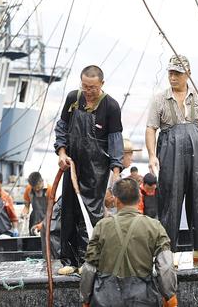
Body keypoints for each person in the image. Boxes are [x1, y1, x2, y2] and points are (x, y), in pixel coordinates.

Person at [145, 54, 198, 265]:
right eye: (170, 73)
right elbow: (151, 129)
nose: (173, 77)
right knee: (170, 201)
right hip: (170, 152)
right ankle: (169, 253)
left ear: (188, 74)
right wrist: (152, 156)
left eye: (177, 73)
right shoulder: (159, 99)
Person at [54, 65, 124, 275]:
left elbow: (115, 140)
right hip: (72, 165)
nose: (88, 91)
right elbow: (62, 128)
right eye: (85, 86)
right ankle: (69, 261)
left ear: (101, 84)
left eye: (92, 87)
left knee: (91, 213)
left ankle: (89, 261)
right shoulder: (73, 98)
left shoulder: (111, 106)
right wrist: (62, 153)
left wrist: (116, 172)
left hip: (96, 169)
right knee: (68, 211)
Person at [80, 178, 178, 307]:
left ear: (116, 200)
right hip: (143, 299)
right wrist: (170, 297)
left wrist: (85, 300)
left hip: (105, 299)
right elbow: (166, 267)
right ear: (139, 199)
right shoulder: (154, 226)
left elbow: (89, 267)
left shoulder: (102, 226)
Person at [104, 138, 142, 214]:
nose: (132, 158)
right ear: (122, 155)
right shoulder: (111, 174)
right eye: (130, 154)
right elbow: (105, 200)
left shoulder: (117, 174)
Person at [21, 171, 52, 236]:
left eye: (37, 187)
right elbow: (26, 206)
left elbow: (53, 210)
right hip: (34, 219)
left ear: (41, 181)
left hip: (47, 219)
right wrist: (24, 213)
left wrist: (44, 223)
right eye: (34, 188)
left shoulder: (49, 190)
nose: (36, 189)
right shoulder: (29, 189)